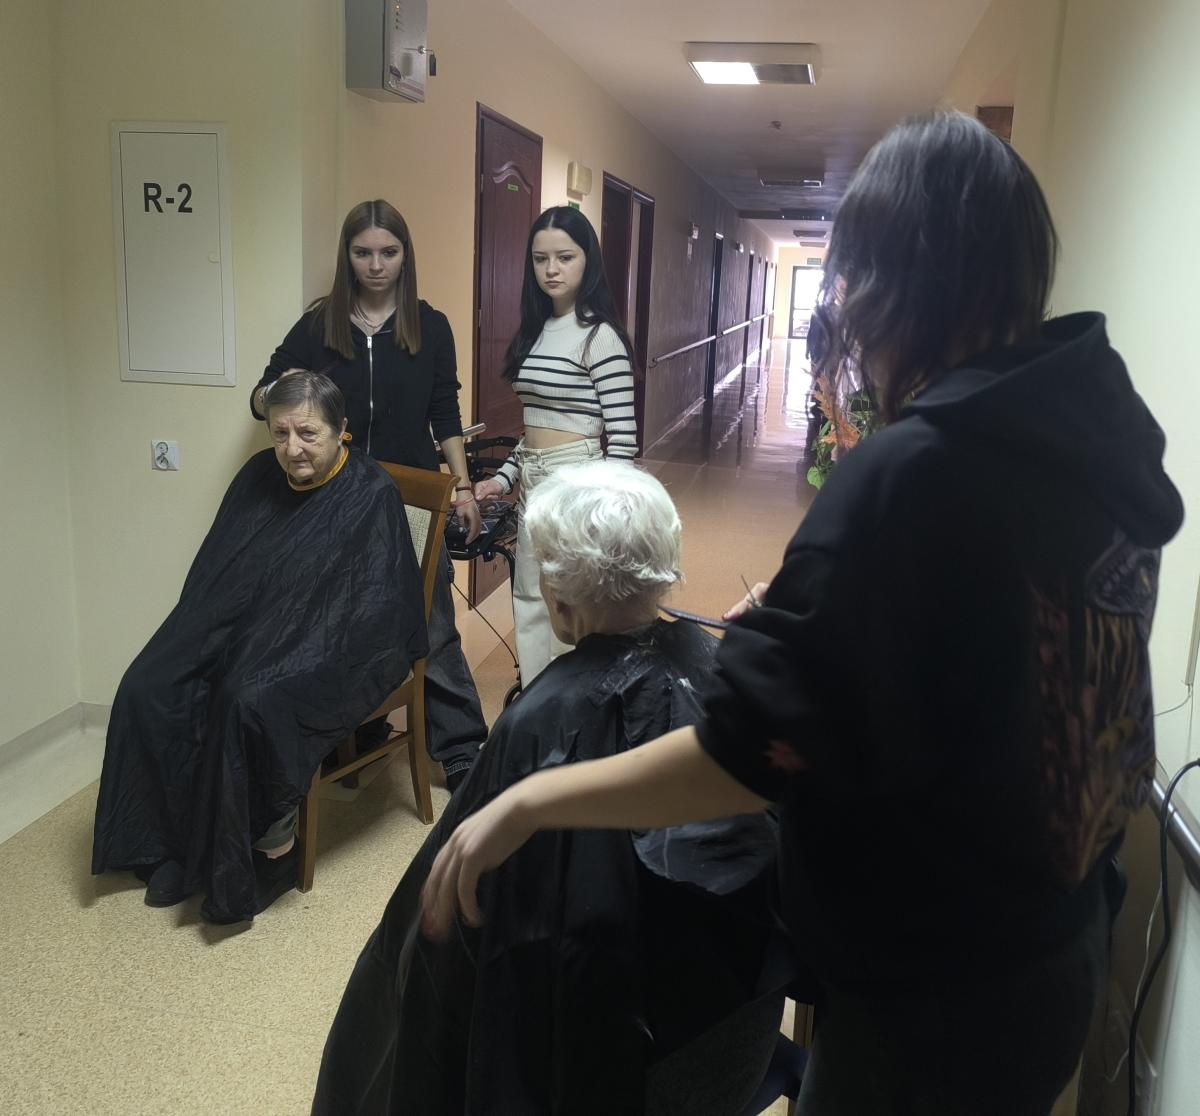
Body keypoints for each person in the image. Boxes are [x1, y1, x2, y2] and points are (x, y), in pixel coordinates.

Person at [421, 112, 1185, 1115]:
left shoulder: (913, 474)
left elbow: (742, 759)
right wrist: (816, 617)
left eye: (857, 275)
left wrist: (527, 802)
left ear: (905, 283)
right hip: (1061, 940)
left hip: (933, 992)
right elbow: (977, 649)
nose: (848, 304)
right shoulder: (1089, 434)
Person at [312, 463, 785, 1115]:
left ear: (558, 598)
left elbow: (483, 949)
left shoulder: (541, 725)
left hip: (623, 1072)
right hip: (738, 1028)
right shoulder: (721, 675)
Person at [93, 372, 427, 924]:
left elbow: (373, 606)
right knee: (149, 684)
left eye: (308, 434)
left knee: (246, 698)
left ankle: (274, 850)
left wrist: (284, 642)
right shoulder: (257, 476)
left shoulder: (370, 493)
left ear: (342, 430)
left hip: (332, 643)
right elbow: (220, 573)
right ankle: (172, 840)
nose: (292, 449)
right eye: (280, 434)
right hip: (245, 625)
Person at [252, 199, 485, 791]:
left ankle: (461, 748)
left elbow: (445, 413)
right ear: (347, 256)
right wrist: (274, 394)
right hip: (337, 496)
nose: (376, 265)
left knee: (432, 620)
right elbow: (266, 392)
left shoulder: (430, 326)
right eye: (363, 253)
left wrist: (461, 487)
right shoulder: (319, 325)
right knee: (344, 620)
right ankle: (358, 730)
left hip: (413, 497)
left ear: (406, 255)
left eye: (388, 252)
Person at [473, 206, 638, 687]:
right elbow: (535, 427)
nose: (551, 269)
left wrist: (607, 507)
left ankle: (570, 706)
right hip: (533, 479)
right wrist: (503, 478)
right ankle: (536, 702)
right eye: (541, 258)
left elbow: (623, 438)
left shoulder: (601, 337)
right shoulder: (536, 329)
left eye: (565, 257)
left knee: (571, 602)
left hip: (577, 479)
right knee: (529, 597)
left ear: (588, 261)